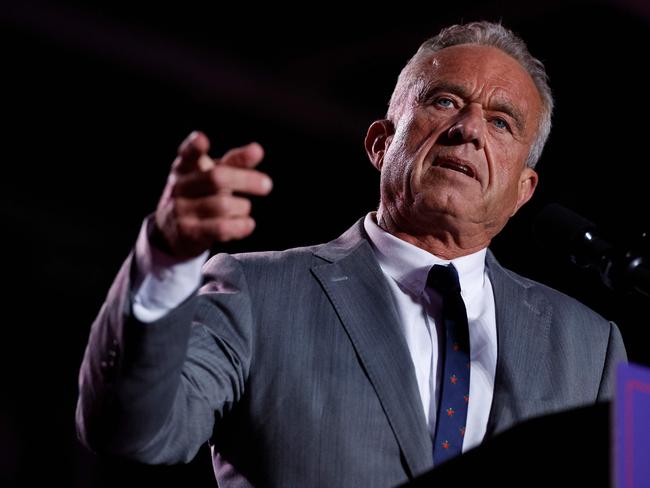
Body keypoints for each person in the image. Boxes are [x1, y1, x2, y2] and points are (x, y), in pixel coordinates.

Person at [76, 21, 627, 487]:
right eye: (445, 101)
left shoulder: (597, 347)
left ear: (524, 190)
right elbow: (132, 433)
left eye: (502, 122)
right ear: (381, 144)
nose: (468, 130)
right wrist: (168, 259)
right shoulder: (252, 291)